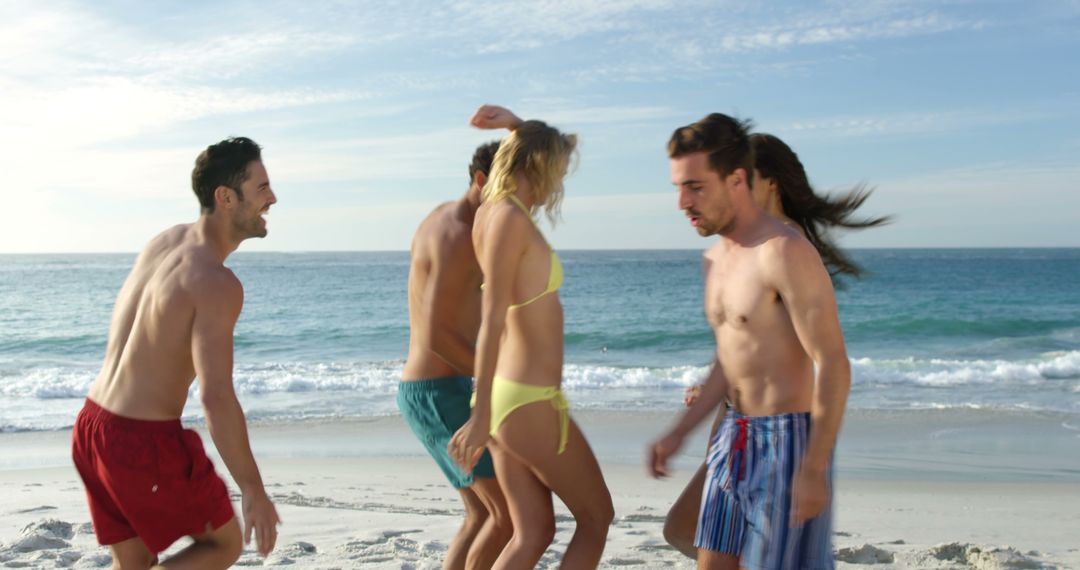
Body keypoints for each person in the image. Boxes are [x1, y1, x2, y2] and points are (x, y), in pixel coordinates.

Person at [661, 132, 891, 558]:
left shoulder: (786, 249)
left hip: (780, 440)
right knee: (681, 531)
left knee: (687, 532)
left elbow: (832, 362)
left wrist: (814, 465)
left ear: (770, 183)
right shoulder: (737, 249)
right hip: (736, 431)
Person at [71, 137, 281, 569]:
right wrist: (254, 491)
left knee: (135, 562)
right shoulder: (216, 282)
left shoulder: (164, 241)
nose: (272, 198)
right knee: (222, 545)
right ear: (225, 197)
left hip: (92, 427)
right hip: (139, 442)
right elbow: (215, 397)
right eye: (261, 188)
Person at [449, 105, 614, 569]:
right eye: (558, 171)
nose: (559, 183)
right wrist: (480, 416)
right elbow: (493, 317)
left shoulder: (496, 211)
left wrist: (515, 124)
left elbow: (528, 148)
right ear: (540, 166)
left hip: (512, 397)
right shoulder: (508, 220)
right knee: (597, 516)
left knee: (533, 530)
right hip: (526, 401)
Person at [399, 141, 512, 569]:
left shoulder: (457, 218)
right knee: (509, 517)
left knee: (483, 513)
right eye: (507, 194)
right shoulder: (456, 234)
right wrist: (499, 379)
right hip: (437, 392)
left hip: (438, 389)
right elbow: (435, 337)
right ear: (481, 181)